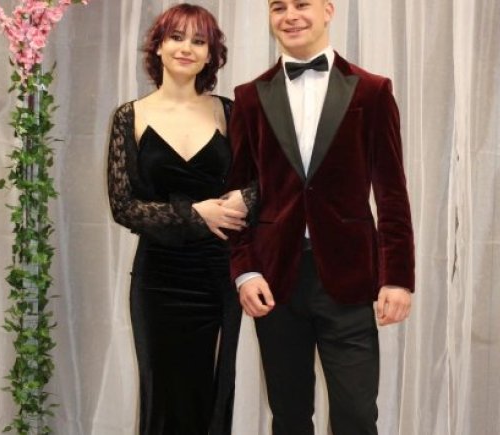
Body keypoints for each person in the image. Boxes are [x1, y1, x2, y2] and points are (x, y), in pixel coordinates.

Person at [227, 1, 416, 434]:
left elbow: (392, 194)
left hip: (350, 278)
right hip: (275, 280)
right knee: (289, 416)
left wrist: (397, 278)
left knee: (356, 415)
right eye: (278, 7)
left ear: (328, 10)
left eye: (302, 4)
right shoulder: (249, 97)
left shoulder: (372, 91)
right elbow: (237, 197)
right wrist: (244, 272)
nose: (290, 16)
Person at [107, 4, 251, 434]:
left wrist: (245, 199)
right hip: (158, 280)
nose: (186, 48)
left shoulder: (230, 111)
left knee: (212, 392)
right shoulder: (129, 116)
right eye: (177, 37)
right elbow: (123, 205)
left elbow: (263, 183)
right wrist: (195, 214)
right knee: (161, 394)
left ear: (211, 55)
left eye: (198, 41)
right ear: (159, 46)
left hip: (218, 275)